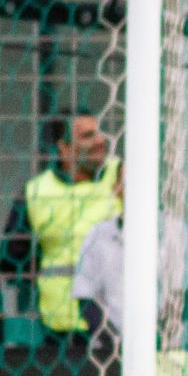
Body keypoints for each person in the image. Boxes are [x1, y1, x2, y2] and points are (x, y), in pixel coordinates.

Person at [0, 111, 121, 348]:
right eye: (88, 136)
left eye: (99, 132)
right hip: (59, 328)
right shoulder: (36, 192)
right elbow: (12, 258)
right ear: (64, 149)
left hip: (117, 322)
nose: (100, 141)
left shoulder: (121, 178)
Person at [71, 167, 188, 350]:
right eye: (128, 183)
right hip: (108, 352)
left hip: (167, 352)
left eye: (142, 182)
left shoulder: (178, 234)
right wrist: (116, 344)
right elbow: (85, 297)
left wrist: (154, 342)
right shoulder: (98, 235)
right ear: (116, 189)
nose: (136, 190)